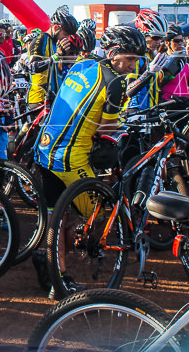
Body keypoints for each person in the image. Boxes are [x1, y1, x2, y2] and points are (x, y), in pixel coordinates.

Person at [30, 25, 146, 295]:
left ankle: (50, 265)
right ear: (114, 53)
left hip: (45, 149)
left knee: (53, 217)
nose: (133, 65)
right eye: (129, 59)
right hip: (72, 159)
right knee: (96, 217)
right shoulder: (116, 83)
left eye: (136, 59)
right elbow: (106, 129)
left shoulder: (83, 65)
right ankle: (59, 276)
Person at [26, 7, 81, 108]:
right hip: (39, 100)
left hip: (55, 98)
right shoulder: (41, 39)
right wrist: (56, 57)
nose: (66, 38)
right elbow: (33, 67)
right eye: (65, 34)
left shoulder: (56, 43)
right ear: (56, 28)